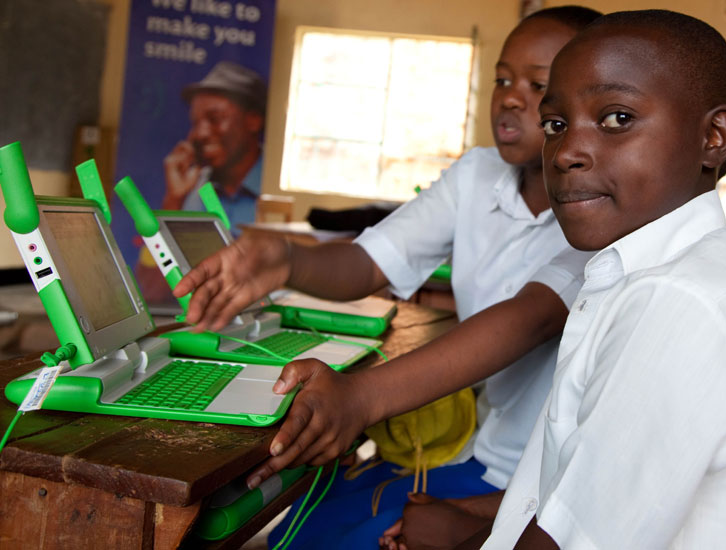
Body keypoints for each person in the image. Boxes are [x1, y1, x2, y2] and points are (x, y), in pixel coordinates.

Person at [380, 10, 726, 549]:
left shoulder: (683, 307)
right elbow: (577, 493)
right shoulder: (643, 279)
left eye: (616, 118)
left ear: (714, 136)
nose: (565, 153)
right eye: (556, 125)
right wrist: (465, 522)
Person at [174, 6, 601, 548]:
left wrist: (358, 398)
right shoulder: (477, 174)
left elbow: (527, 320)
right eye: (502, 78)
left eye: (538, 84)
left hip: (530, 476)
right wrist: (284, 259)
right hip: (473, 445)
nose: (511, 96)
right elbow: (369, 262)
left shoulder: (600, 212)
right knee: (309, 508)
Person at [162, 60, 266, 226]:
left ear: (253, 121)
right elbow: (166, 251)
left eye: (215, 119)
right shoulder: (199, 189)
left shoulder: (274, 187)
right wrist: (175, 198)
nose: (200, 134)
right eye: (195, 123)